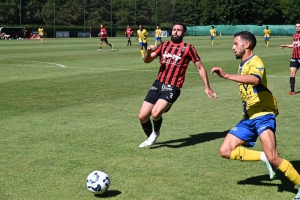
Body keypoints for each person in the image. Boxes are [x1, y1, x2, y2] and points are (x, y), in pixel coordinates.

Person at [211, 31, 300, 200]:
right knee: (225, 150)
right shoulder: (243, 64)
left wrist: (226, 75)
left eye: (236, 43)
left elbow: (255, 80)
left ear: (247, 45)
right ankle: (263, 156)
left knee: (275, 158)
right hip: (249, 117)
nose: (233, 47)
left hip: (263, 115)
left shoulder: (255, 61)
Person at [138, 22, 218, 148]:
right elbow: (147, 61)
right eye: (174, 29)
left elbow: (200, 68)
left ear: (184, 33)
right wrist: (148, 52)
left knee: (155, 113)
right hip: (158, 83)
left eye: (179, 30)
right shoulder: (163, 45)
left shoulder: (188, 48)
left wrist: (207, 86)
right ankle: (151, 138)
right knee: (142, 116)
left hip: (173, 86)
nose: (175, 32)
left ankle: (155, 133)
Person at [280, 20, 300, 95]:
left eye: (299, 26)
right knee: (292, 72)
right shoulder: (294, 35)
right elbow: (294, 45)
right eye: (296, 26)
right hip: (294, 57)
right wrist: (285, 45)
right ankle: (292, 90)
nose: (297, 28)